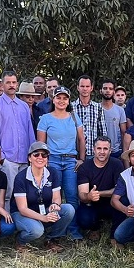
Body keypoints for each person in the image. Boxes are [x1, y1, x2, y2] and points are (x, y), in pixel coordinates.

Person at [37, 86, 86, 240]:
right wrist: (43, 161)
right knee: (53, 196)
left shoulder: (74, 117)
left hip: (71, 160)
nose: (61, 101)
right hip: (53, 161)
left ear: (69, 100)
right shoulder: (45, 118)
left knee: (72, 196)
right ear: (53, 99)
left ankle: (73, 229)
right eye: (58, 97)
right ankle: (55, 229)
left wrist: (81, 159)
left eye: (65, 98)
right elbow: (41, 144)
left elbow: (81, 139)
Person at [12, 141, 75, 252]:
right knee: (37, 230)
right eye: (36, 154)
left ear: (47, 159)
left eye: (44, 155)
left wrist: (55, 205)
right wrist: (44, 218)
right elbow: (22, 209)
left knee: (68, 209)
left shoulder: (52, 173)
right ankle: (20, 241)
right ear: (29, 158)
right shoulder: (21, 177)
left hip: (43, 210)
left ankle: (51, 239)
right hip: (22, 214)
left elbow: (56, 197)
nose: (40, 157)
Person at [0, 71, 36, 202]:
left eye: (14, 82)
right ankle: (6, 216)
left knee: (25, 194)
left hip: (25, 158)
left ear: (17, 84)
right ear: (2, 85)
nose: (11, 85)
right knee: (8, 194)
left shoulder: (24, 106)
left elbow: (30, 131)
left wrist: (33, 154)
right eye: (8, 82)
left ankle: (21, 215)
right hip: (8, 159)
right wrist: (1, 158)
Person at [76, 136, 125, 237]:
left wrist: (99, 193)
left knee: (124, 200)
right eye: (99, 148)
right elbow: (82, 195)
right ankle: (95, 228)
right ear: (94, 150)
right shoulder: (84, 167)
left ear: (110, 151)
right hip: (92, 204)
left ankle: (114, 234)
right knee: (84, 220)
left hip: (112, 202)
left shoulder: (117, 164)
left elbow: (120, 190)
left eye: (105, 149)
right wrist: (89, 196)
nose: (102, 152)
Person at [72, 74, 107, 158]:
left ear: (91, 88)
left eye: (87, 86)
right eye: (82, 86)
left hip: (93, 152)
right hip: (74, 152)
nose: (85, 89)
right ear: (78, 88)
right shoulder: (70, 107)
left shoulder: (98, 107)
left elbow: (103, 132)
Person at [100, 79, 127, 156]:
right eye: (105, 88)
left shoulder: (120, 110)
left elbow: (123, 132)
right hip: (99, 151)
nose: (107, 91)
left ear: (114, 92)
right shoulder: (95, 108)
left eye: (110, 89)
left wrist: (124, 152)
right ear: (100, 91)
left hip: (115, 151)